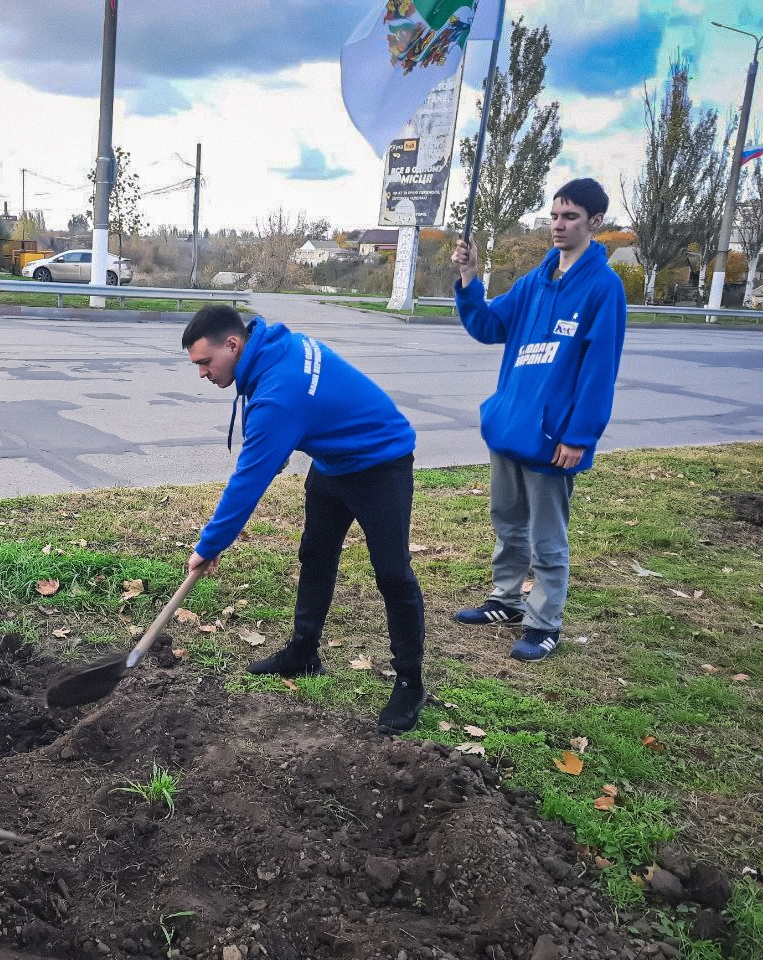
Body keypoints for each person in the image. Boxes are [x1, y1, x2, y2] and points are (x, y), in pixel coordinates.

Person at [182, 306, 428, 735]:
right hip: (333, 465)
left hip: (380, 462)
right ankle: (303, 652)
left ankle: (410, 681)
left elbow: (247, 482)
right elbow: (312, 408)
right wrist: (279, 445)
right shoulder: (275, 345)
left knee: (392, 573)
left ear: (233, 344)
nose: (201, 373)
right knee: (315, 556)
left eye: (205, 362)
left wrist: (209, 545)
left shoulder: (280, 391)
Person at [450, 177, 627, 662]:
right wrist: (469, 278)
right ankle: (506, 600)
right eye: (554, 215)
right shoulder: (534, 282)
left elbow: (599, 370)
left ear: (595, 222)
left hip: (553, 439)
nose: (559, 225)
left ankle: (544, 622)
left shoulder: (603, 288)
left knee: (547, 538)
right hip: (510, 428)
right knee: (507, 524)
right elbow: (488, 326)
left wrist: (579, 435)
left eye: (570, 217)